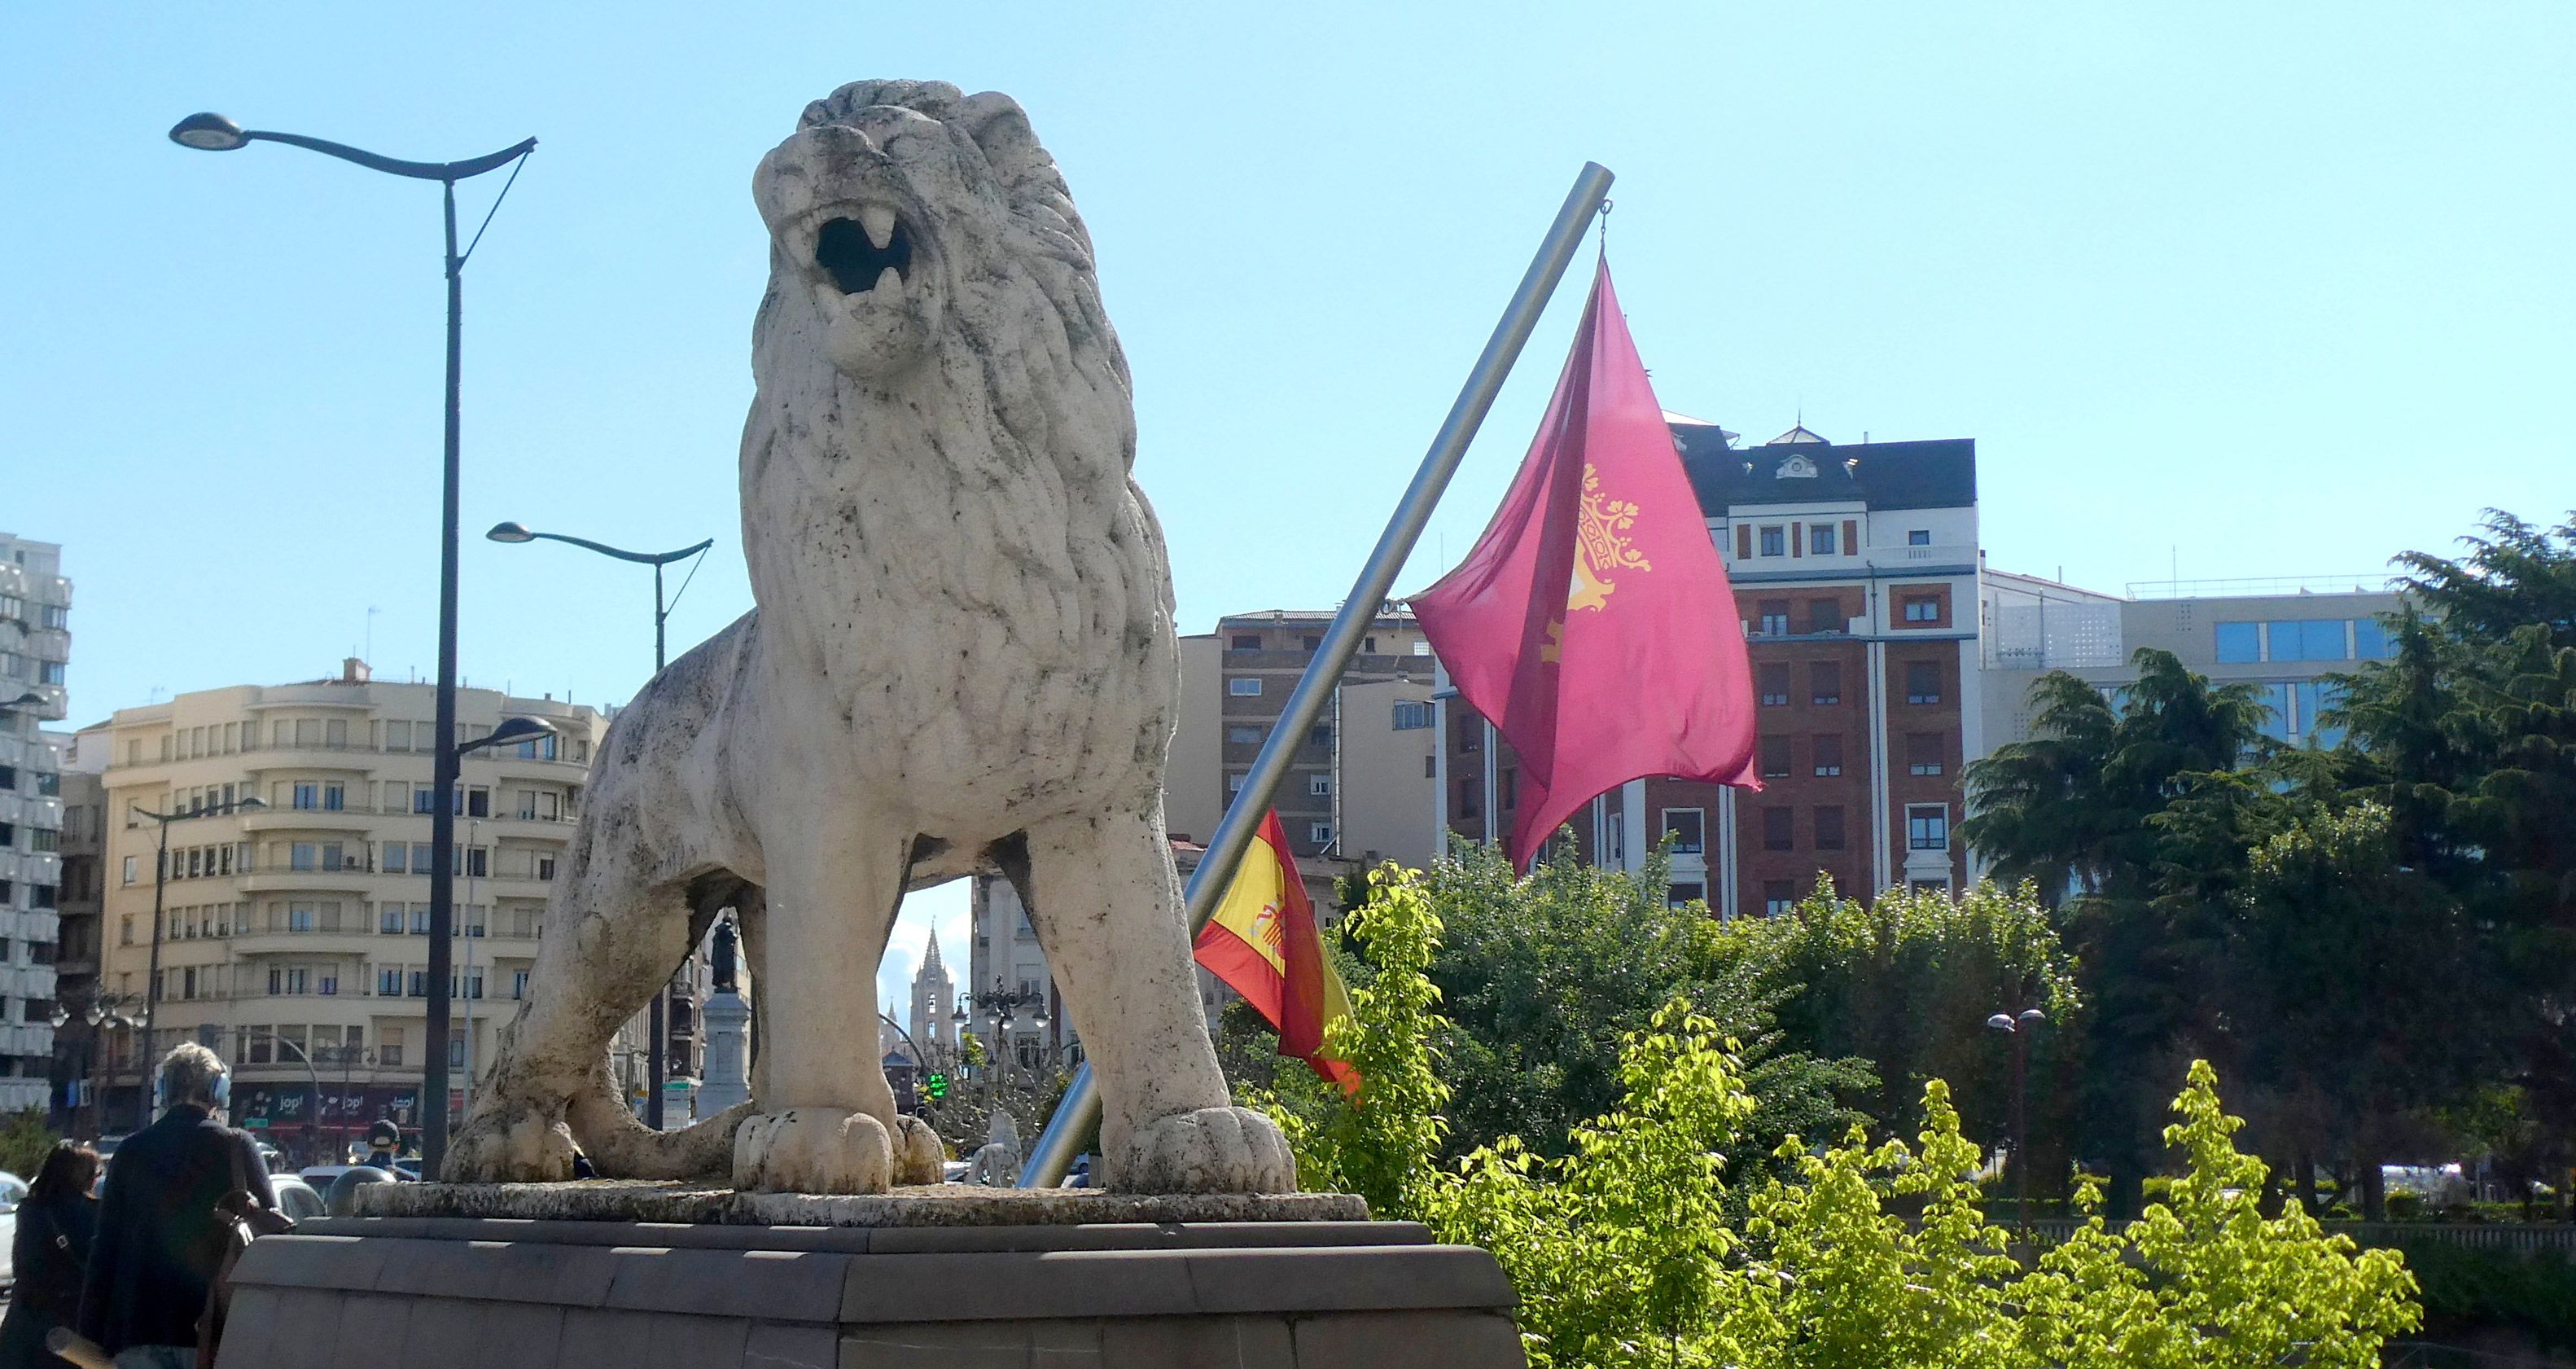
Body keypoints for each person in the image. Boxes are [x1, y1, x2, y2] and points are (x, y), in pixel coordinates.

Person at [78, 1043, 272, 1369]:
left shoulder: (130, 1152)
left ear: (164, 1090)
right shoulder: (237, 1148)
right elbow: (269, 1238)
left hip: (136, 1331)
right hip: (214, 1333)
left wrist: (90, 1335)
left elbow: (104, 1250)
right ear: (219, 1091)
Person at [0, 1141, 102, 1367]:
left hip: (26, 1322)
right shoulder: (95, 1213)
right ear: (85, 1176)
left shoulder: (30, 1210)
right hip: (73, 1323)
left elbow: (23, 1266)